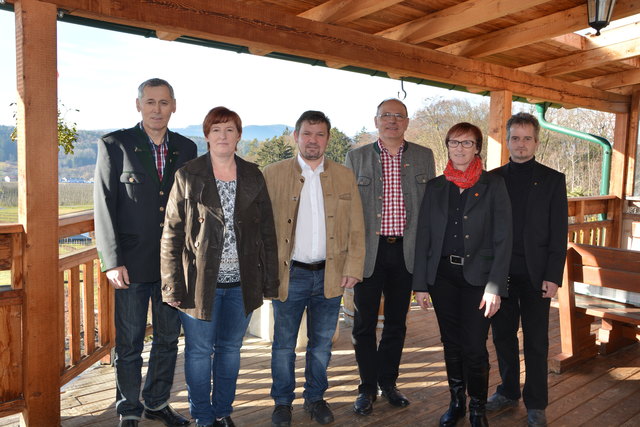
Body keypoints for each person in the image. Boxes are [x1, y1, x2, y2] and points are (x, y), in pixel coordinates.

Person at [160, 106, 280, 427]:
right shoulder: (188, 174)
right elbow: (171, 233)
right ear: (207, 136)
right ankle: (202, 417)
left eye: (229, 130)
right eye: (216, 130)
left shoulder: (254, 174)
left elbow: (267, 231)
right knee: (199, 353)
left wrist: (270, 281)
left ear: (239, 136)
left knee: (230, 350)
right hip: (198, 282)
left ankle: (223, 411)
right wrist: (171, 285)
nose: (223, 136)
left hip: (243, 282)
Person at [94, 78, 197, 427]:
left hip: (173, 267)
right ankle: (129, 409)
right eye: (150, 102)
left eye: (164, 102)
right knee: (130, 343)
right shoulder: (115, 144)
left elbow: (190, 208)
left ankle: (156, 403)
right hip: (130, 265)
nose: (157, 109)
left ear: (174, 106)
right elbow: (103, 206)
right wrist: (111, 261)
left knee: (168, 339)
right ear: (138, 105)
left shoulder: (186, 148)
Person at [263, 110, 365, 427]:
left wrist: (354, 267)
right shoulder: (273, 174)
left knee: (321, 346)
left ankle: (315, 398)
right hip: (290, 274)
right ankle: (282, 403)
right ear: (296, 136)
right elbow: (262, 230)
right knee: (283, 346)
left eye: (320, 134)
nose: (313, 140)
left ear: (327, 139)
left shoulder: (344, 175)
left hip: (330, 274)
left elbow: (357, 228)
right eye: (307, 133)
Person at [413, 122, 512, 427]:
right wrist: (420, 284)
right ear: (447, 146)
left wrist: (494, 286)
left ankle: (477, 409)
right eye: (454, 142)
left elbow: (503, 239)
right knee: (451, 343)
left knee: (474, 345)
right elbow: (424, 237)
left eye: (467, 143)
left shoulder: (493, 185)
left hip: (479, 281)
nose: (460, 148)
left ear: (477, 148)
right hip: (442, 277)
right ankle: (457, 401)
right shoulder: (436, 186)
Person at [345, 98, 435, 415]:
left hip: (407, 254)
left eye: (399, 116)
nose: (392, 121)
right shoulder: (355, 158)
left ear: (407, 122)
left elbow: (432, 212)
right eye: (386, 115)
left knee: (397, 324)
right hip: (369, 253)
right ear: (376, 121)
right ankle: (367, 388)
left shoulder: (425, 157)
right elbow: (346, 213)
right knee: (363, 325)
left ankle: (389, 383)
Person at [487, 113, 568, 427]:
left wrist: (553, 275)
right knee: (503, 338)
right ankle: (508, 391)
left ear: (536, 141)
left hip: (537, 277)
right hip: (501, 276)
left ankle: (536, 402)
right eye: (515, 138)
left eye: (527, 138)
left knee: (536, 342)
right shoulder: (491, 179)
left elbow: (558, 233)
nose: (521, 144)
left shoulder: (552, 179)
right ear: (507, 141)